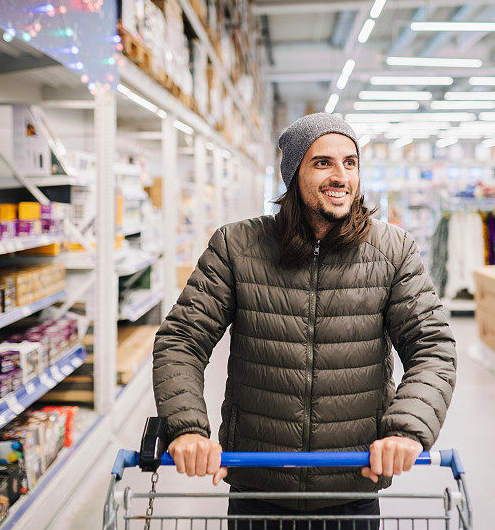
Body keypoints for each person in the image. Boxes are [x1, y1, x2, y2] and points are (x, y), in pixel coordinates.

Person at [152, 112, 457, 527]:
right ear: (293, 173)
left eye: (350, 163)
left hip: (351, 483)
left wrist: (407, 428)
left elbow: (432, 347)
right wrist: (187, 427)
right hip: (259, 485)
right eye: (323, 163)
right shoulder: (237, 246)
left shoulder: (393, 250)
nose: (341, 175)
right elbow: (182, 340)